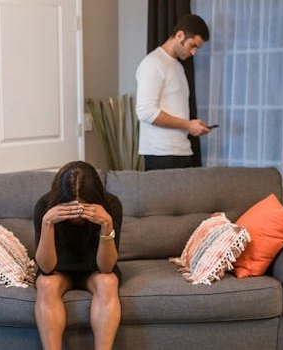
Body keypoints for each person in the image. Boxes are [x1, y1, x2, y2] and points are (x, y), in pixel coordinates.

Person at [33, 161, 123, 350]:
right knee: (45, 283)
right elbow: (46, 268)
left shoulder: (111, 205)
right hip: (59, 271)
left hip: (95, 269)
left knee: (108, 282)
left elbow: (106, 267)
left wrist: (107, 224)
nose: (78, 215)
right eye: (71, 208)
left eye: (84, 207)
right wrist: (47, 223)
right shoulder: (44, 206)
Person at [135, 14, 211, 171]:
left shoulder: (177, 66)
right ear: (180, 35)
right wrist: (188, 125)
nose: (194, 52)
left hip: (181, 152)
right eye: (193, 45)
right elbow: (145, 112)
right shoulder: (153, 63)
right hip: (161, 155)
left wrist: (192, 126)